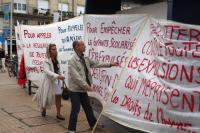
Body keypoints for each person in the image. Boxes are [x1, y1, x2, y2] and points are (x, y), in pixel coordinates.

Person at [67, 40, 119, 133]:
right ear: (76, 47)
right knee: (76, 109)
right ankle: (71, 130)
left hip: (83, 89)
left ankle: (93, 125)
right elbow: (76, 78)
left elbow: (96, 63)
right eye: (82, 45)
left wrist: (110, 64)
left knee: (87, 107)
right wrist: (88, 87)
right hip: (75, 89)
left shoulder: (85, 58)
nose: (85, 46)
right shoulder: (72, 60)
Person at [33, 43, 65, 120]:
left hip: (56, 81)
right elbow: (47, 71)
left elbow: (58, 70)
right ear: (49, 51)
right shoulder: (46, 60)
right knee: (46, 97)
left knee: (58, 96)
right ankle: (43, 108)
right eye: (53, 49)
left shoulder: (57, 59)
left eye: (55, 49)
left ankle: (58, 114)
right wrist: (57, 76)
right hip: (48, 81)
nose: (55, 50)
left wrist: (61, 75)